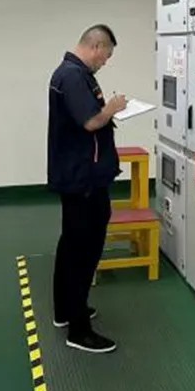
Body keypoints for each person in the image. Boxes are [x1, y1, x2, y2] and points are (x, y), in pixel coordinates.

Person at [46, 24, 127, 353]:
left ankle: (66, 310)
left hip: (80, 175)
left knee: (71, 244)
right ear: (96, 46)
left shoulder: (72, 73)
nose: (105, 62)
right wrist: (113, 107)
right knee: (83, 250)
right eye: (106, 56)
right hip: (84, 179)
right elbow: (91, 121)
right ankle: (79, 330)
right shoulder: (73, 76)